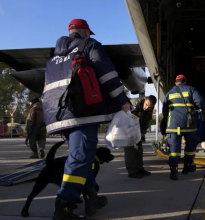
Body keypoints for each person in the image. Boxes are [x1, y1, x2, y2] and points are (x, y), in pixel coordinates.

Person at [42, 19, 131, 219]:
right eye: (89, 33)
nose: (90, 36)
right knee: (80, 158)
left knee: (85, 157)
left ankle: (93, 197)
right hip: (81, 113)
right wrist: (122, 101)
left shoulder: (54, 57)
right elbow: (108, 75)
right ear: (84, 32)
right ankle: (64, 206)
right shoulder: (89, 45)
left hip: (57, 114)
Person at [162, 75, 205, 180]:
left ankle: (174, 171)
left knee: (174, 148)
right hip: (188, 124)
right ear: (185, 82)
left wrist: (168, 120)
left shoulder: (169, 93)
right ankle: (187, 166)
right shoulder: (190, 89)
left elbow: (164, 110)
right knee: (191, 144)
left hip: (173, 125)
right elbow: (200, 102)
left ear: (175, 83)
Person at [124, 95, 157, 179]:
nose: (146, 108)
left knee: (139, 149)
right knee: (130, 150)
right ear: (144, 99)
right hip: (128, 129)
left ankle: (139, 169)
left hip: (138, 130)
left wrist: (143, 132)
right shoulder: (133, 103)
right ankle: (132, 171)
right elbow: (127, 117)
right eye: (146, 104)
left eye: (149, 106)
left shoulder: (150, 107)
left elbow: (147, 119)